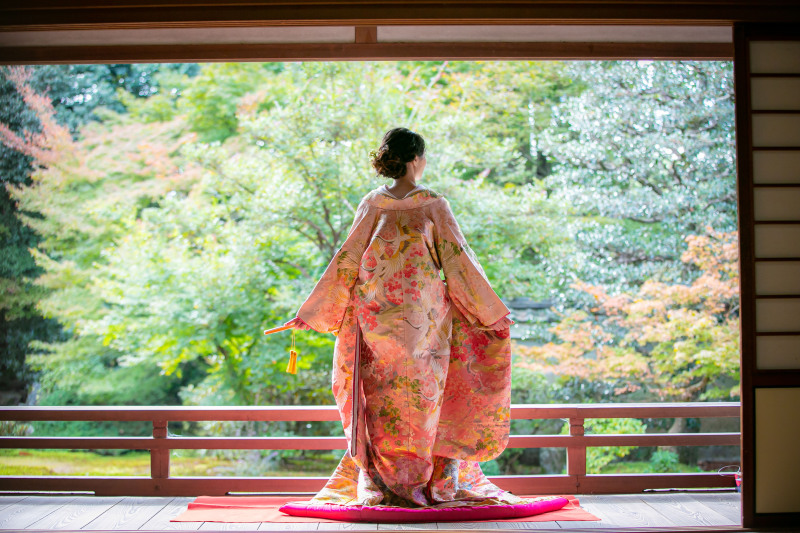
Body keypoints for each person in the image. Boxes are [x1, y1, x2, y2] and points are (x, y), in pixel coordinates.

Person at [283, 128, 528, 510]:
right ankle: (431, 483)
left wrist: (313, 312)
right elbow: (459, 264)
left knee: (383, 407)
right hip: (424, 326)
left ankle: (381, 483)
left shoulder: (371, 203)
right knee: (427, 402)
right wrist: (491, 313)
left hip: (375, 322)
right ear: (417, 158)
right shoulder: (434, 206)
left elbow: (346, 261)